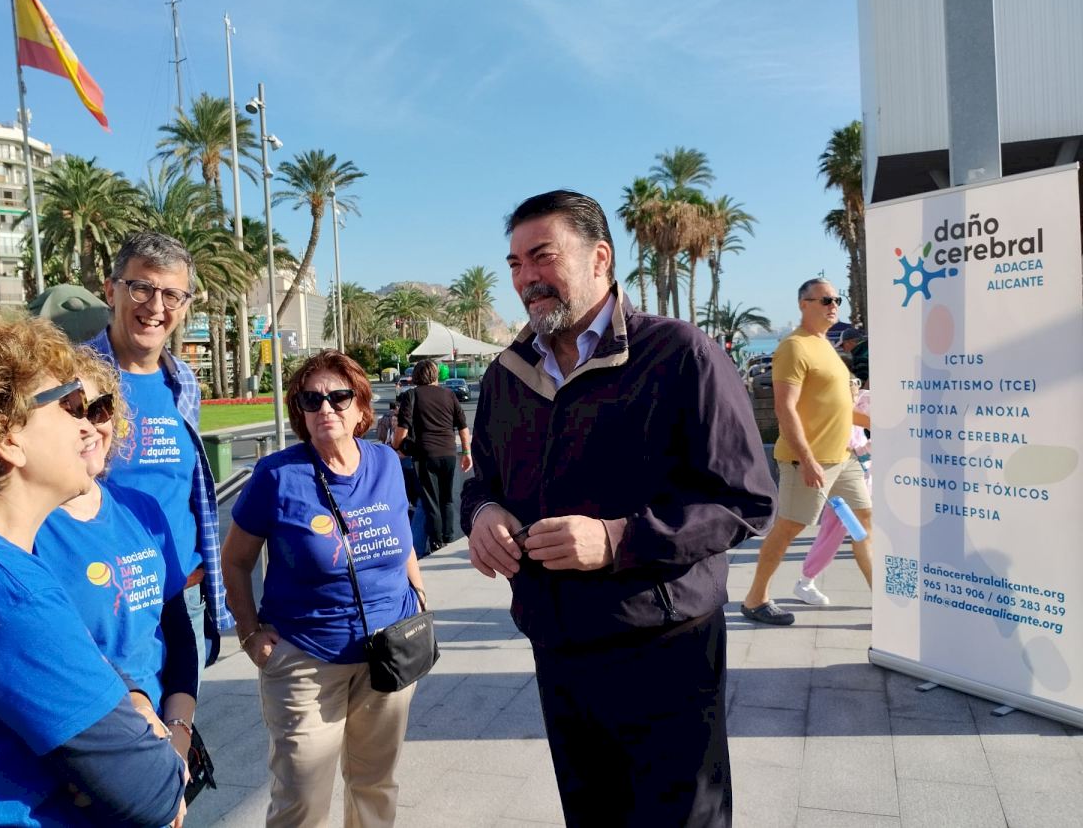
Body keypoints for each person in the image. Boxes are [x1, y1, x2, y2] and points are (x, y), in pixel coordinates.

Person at [462, 190, 777, 827]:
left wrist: (617, 540)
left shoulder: (681, 355)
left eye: (543, 257)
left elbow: (746, 499)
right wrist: (483, 513)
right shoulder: (506, 375)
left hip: (665, 646)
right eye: (516, 264)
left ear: (600, 258)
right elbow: (483, 480)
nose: (526, 278)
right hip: (557, 647)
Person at [0, 314, 185, 827]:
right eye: (70, 404)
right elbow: (154, 793)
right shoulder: (4, 591)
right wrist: (154, 752)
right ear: (7, 437)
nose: (88, 425)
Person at [222, 350, 427, 827]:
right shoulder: (276, 476)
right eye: (311, 400)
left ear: (361, 407)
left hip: (389, 653)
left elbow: (403, 541)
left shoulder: (385, 462)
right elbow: (234, 560)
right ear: (300, 412)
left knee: (375, 785)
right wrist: (250, 634)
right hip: (306, 658)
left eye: (338, 397)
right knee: (301, 800)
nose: (325, 408)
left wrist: (419, 598)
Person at [35, 347, 199, 761]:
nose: (89, 427)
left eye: (100, 410)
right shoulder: (29, 527)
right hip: (89, 742)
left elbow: (176, 630)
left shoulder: (142, 509)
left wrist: (179, 731)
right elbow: (58, 653)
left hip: (163, 733)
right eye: (72, 411)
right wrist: (139, 713)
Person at [87, 230, 234, 673]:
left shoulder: (182, 380)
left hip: (183, 597)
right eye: (141, 288)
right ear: (111, 291)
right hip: (106, 603)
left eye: (172, 295)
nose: (156, 307)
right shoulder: (74, 378)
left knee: (183, 716)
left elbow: (187, 490)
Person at [740, 279, 873, 626]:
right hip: (809, 460)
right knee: (789, 527)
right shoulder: (794, 347)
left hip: (844, 457)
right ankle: (755, 599)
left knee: (865, 522)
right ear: (804, 304)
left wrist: (886, 424)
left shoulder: (825, 346)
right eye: (826, 300)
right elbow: (785, 408)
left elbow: (839, 408)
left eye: (837, 299)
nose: (834, 305)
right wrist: (808, 460)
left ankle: (885, 602)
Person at [796, 380, 871, 604]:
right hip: (844, 481)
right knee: (838, 531)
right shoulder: (831, 412)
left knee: (862, 532)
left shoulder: (862, 401)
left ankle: (806, 581)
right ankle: (806, 581)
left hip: (865, 478)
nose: (853, 391)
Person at [391, 359, 472, 551]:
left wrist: (396, 446)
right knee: (447, 498)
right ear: (436, 375)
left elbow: (403, 428)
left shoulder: (412, 395)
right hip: (449, 453)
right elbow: (463, 426)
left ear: (416, 376)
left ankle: (436, 541)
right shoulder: (449, 394)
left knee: (431, 501)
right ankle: (448, 536)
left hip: (426, 455)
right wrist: (466, 452)